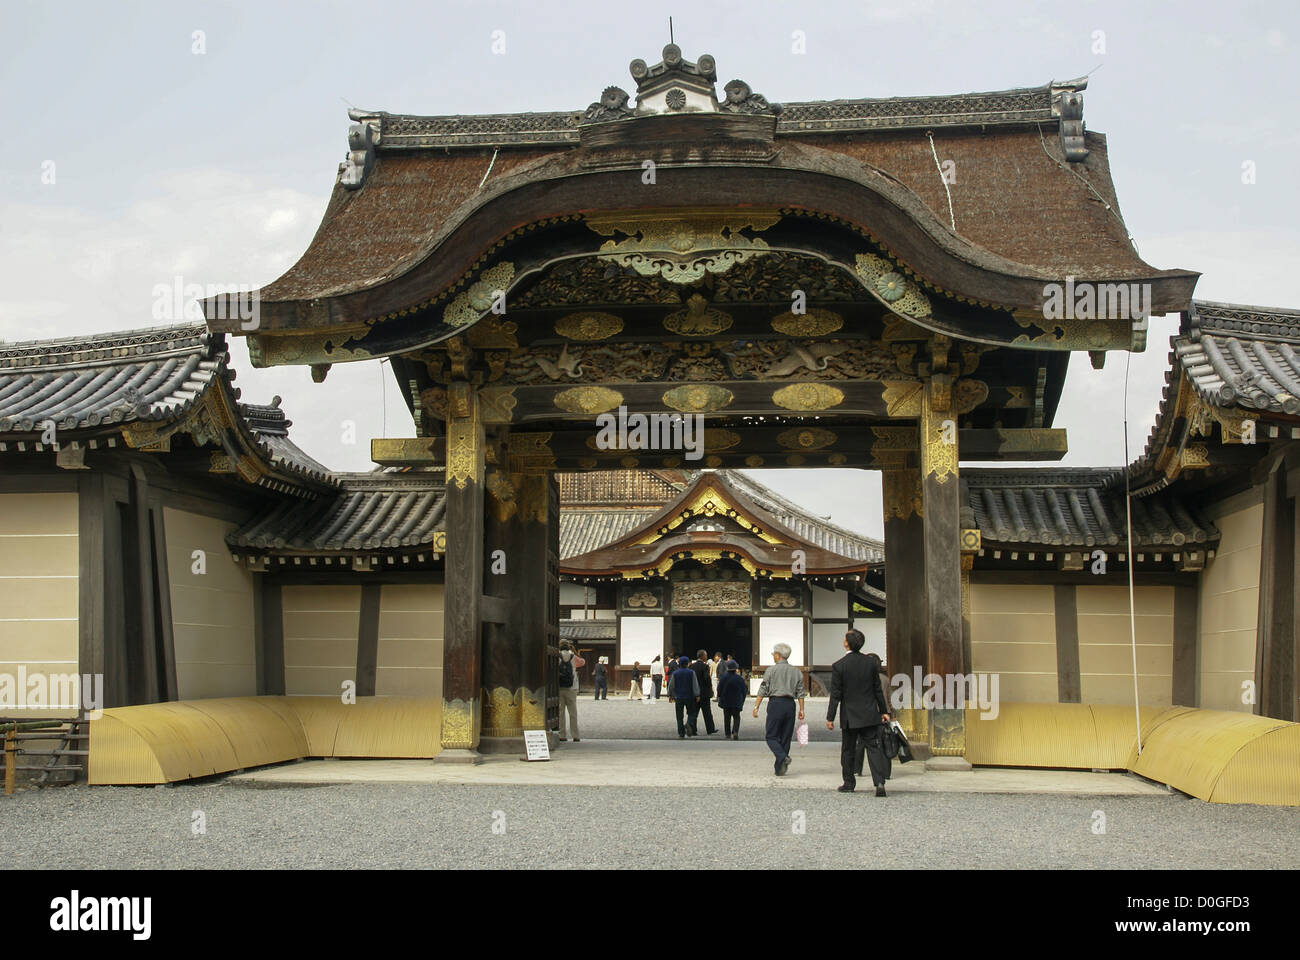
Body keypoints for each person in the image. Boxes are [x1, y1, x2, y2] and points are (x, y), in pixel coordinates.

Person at [826, 629, 891, 795]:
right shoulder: (870, 663)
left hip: (850, 714)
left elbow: (836, 695)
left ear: (847, 643)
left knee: (848, 749)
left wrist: (830, 717)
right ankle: (879, 782)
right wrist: (884, 711)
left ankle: (849, 782)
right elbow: (877, 690)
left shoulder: (839, 666)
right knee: (873, 747)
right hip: (869, 712)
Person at [752, 643, 805, 775]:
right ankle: (779, 768)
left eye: (773, 654)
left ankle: (782, 757)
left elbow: (763, 688)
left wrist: (756, 706)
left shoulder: (771, 670)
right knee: (785, 737)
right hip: (790, 704)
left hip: (776, 703)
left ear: (778, 655)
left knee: (771, 736)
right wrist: (802, 709)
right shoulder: (796, 671)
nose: (773, 657)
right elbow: (800, 692)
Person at [668, 655, 701, 738]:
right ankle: (689, 723)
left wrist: (670, 695)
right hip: (689, 697)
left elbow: (671, 685)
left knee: (679, 716)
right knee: (692, 713)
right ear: (687, 664)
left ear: (679, 663)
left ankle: (681, 732)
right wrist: (697, 694)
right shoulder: (691, 672)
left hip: (678, 697)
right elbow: (695, 684)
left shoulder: (675, 673)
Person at [716, 659, 747, 740]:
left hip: (726, 701)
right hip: (736, 701)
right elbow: (744, 691)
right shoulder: (739, 678)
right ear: (735, 668)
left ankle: (727, 733)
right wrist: (742, 700)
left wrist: (719, 697)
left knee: (727, 718)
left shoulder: (723, 678)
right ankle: (735, 731)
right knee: (736, 717)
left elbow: (719, 689)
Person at [557, 641, 582, 742]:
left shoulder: (557, 656)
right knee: (573, 712)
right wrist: (575, 651)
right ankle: (575, 735)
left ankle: (562, 735)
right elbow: (583, 662)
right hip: (572, 688)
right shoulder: (573, 657)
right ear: (569, 647)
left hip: (560, 687)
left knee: (560, 712)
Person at [689, 650, 717, 735]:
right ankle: (710, 729)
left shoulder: (691, 666)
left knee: (694, 712)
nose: (707, 657)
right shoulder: (705, 666)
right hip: (704, 693)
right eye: (706, 655)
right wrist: (710, 689)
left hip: (694, 693)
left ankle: (693, 729)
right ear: (702, 656)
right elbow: (707, 679)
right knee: (707, 712)